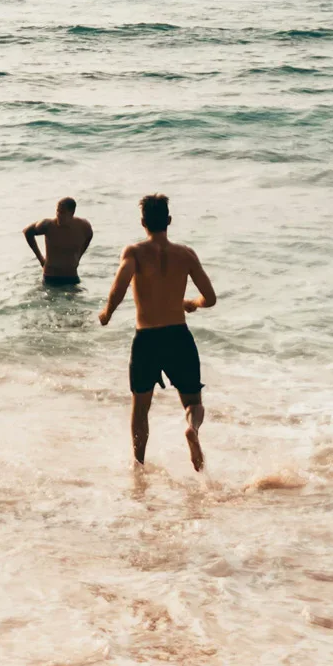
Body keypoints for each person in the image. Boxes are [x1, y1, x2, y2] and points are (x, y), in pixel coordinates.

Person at [98, 194, 217, 471]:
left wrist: (107, 313)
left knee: (141, 408)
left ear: (143, 223)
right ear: (169, 221)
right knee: (193, 402)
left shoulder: (134, 252)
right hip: (179, 336)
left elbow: (120, 286)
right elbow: (209, 297)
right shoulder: (186, 254)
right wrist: (191, 303)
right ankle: (192, 429)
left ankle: (138, 465)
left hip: (147, 339)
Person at [23, 197, 93, 286]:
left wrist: (78, 256)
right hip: (51, 276)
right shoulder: (47, 225)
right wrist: (41, 259)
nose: (59, 215)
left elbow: (89, 236)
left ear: (72, 213)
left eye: (62, 213)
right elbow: (27, 232)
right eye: (57, 211)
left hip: (72, 276)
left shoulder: (83, 226)